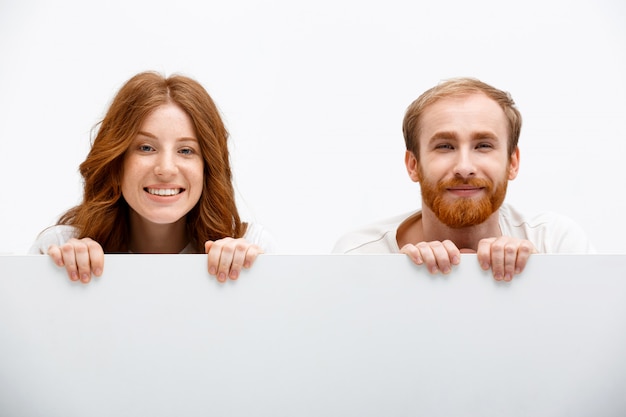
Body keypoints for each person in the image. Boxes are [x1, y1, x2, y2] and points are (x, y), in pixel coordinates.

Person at [333, 77, 593, 281]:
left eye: (483, 146)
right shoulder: (359, 257)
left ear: (512, 163)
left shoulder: (555, 244)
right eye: (445, 146)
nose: (465, 168)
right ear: (413, 165)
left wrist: (542, 277)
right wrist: (397, 282)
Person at [30, 71, 276, 284]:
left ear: (207, 167)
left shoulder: (251, 249)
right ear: (117, 161)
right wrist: (59, 279)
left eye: (186, 150)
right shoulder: (59, 249)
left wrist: (250, 278)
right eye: (146, 148)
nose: (166, 169)